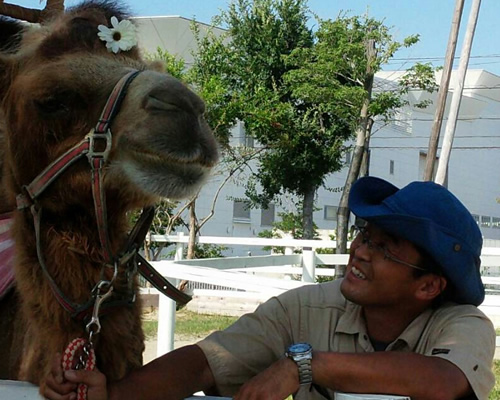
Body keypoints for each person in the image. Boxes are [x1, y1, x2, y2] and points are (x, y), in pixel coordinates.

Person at [44, 176, 496, 400]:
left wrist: (306, 366)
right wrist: (113, 396)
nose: (359, 251)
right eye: (364, 235)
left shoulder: (461, 326)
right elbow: (207, 361)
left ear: (429, 285)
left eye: (385, 248)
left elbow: (444, 381)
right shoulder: (305, 308)